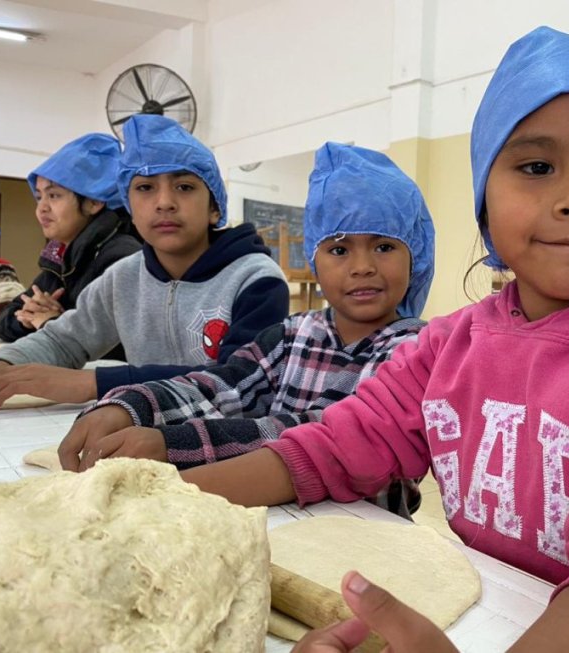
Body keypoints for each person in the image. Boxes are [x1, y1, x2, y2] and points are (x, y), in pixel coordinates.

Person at [167, 27, 569, 653]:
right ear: (483, 197)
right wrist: (157, 503)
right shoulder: (450, 346)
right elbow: (334, 447)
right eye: (538, 166)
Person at [57, 142, 435, 517]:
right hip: (272, 522)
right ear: (313, 260)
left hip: (363, 537)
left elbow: (327, 434)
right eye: (339, 250)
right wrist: (132, 406)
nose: (362, 267)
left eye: (384, 246)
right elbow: (223, 385)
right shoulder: (291, 335)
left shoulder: (418, 351)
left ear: (415, 256)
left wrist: (170, 443)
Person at [0, 114, 290, 409]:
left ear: (214, 207)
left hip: (224, 442)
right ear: (129, 204)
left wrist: (91, 383)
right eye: (145, 188)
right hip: (139, 424)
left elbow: (240, 383)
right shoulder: (123, 278)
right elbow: (65, 340)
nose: (163, 202)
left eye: (184, 186)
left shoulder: (254, 279)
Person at [0, 132, 141, 346]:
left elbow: (126, 343)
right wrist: (27, 319)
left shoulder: (121, 257)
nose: (41, 208)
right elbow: (4, 321)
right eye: (38, 197)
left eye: (54, 195)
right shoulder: (59, 258)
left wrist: (53, 322)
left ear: (94, 202)